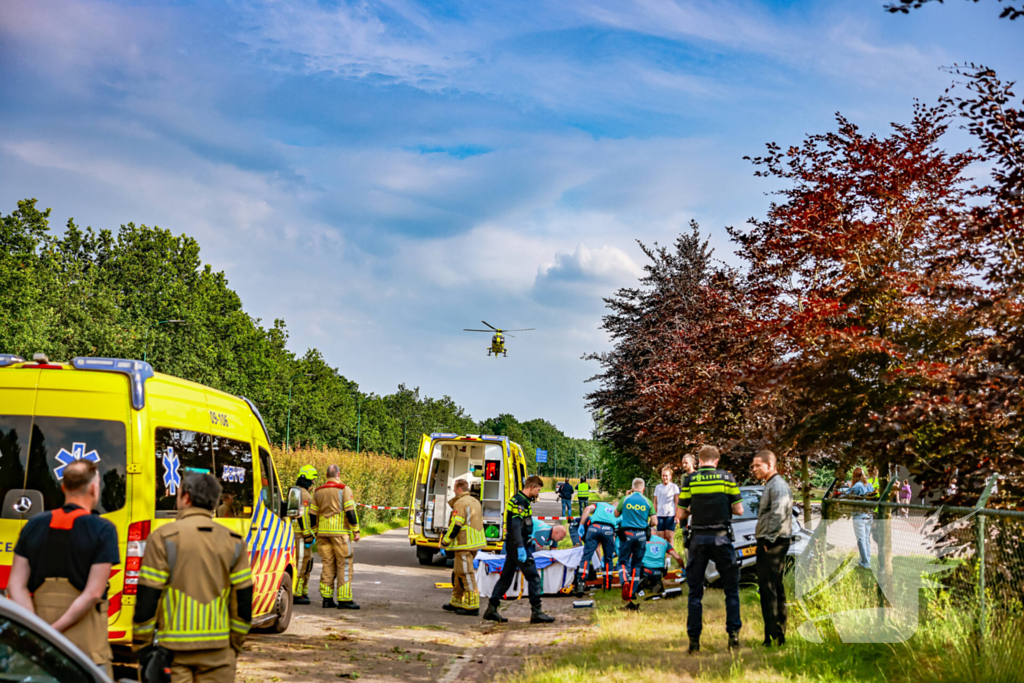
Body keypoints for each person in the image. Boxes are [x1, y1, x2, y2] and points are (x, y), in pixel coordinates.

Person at [133, 472, 253, 683]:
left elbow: (148, 598)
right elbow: (242, 603)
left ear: (186, 497)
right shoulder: (234, 542)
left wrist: (142, 646)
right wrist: (234, 645)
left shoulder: (162, 538)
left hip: (173, 654)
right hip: (220, 652)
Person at [8, 460, 119, 676]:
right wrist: (55, 631)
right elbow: (93, 593)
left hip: (38, 639)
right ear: (94, 488)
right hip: (86, 644)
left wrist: (37, 631)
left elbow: (15, 585)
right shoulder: (103, 529)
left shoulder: (33, 524)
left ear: (63, 487)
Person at [679, 445, 744, 653]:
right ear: (717, 460)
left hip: (698, 538)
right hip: (721, 538)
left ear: (699, 461)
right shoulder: (727, 478)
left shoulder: (691, 480)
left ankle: (694, 641)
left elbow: (680, 514)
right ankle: (733, 636)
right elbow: (739, 510)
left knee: (695, 592)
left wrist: (694, 508)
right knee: (731, 590)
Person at [482, 475, 555, 624]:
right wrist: (521, 547)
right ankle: (536, 612)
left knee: (506, 577)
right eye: (538, 490)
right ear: (532, 487)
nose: (538, 493)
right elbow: (515, 526)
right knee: (534, 577)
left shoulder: (523, 500)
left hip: (516, 544)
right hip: (518, 545)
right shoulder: (519, 502)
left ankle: (491, 608)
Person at [751, 450, 793, 647]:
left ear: (770, 465)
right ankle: (774, 635)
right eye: (753, 465)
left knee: (769, 589)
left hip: (774, 542)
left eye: (757, 465)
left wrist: (768, 540)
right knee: (773, 587)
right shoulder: (771, 484)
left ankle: (774, 636)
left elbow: (779, 514)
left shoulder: (778, 485)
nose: (754, 469)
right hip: (772, 540)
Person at [311, 464, 361, 609]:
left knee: (327, 564)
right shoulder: (344, 489)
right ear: (338, 475)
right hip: (340, 534)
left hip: (323, 534)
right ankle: (344, 600)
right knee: (344, 564)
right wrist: (356, 530)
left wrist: (315, 530)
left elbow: (312, 514)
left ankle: (327, 599)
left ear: (327, 475)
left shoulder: (318, 491)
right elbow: (350, 511)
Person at [440, 479, 486, 616]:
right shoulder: (475, 501)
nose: (454, 491)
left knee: (466, 573)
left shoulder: (460, 503)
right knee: (459, 572)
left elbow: (457, 525)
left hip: (464, 543)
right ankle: (457, 600)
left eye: (454, 489)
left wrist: (446, 541)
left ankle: (472, 604)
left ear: (459, 489)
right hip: (474, 544)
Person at [614, 478, 655, 611]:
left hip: (627, 535)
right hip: (641, 536)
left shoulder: (626, 499)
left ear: (632, 488)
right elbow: (655, 522)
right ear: (643, 489)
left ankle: (624, 580)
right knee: (637, 564)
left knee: (623, 561)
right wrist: (647, 524)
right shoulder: (648, 502)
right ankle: (631, 591)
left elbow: (616, 514)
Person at [573, 501, 619, 595]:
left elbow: (587, 509)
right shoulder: (617, 512)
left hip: (593, 528)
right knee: (608, 559)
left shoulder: (600, 504)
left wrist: (581, 524)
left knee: (586, 556)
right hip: (608, 530)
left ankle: (581, 582)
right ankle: (607, 586)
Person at [292, 465, 318, 605]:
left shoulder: (297, 492)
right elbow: (302, 516)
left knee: (307, 563)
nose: (314, 483)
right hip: (300, 535)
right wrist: (308, 534)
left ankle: (302, 592)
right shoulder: (304, 495)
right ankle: (297, 594)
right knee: (302, 563)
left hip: (300, 534)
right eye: (313, 479)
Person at [639, 530, 684, 594]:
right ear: (657, 534)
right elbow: (678, 558)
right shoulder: (664, 542)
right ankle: (656, 583)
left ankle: (644, 582)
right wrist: (683, 567)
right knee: (657, 582)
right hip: (659, 572)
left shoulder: (643, 540)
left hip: (645, 570)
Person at [848, 467, 874, 569]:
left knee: (861, 540)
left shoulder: (857, 485)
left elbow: (847, 494)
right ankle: (867, 561)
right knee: (866, 539)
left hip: (859, 516)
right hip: (868, 515)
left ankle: (865, 563)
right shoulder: (869, 485)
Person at [653, 466, 680, 542]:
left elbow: (676, 502)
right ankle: (662, 553)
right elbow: (655, 502)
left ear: (670, 476)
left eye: (666, 476)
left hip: (670, 515)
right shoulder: (658, 487)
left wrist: (677, 516)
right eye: (663, 475)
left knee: (669, 537)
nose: (664, 477)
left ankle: (669, 554)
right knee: (660, 537)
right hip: (660, 515)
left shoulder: (674, 487)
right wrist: (653, 514)